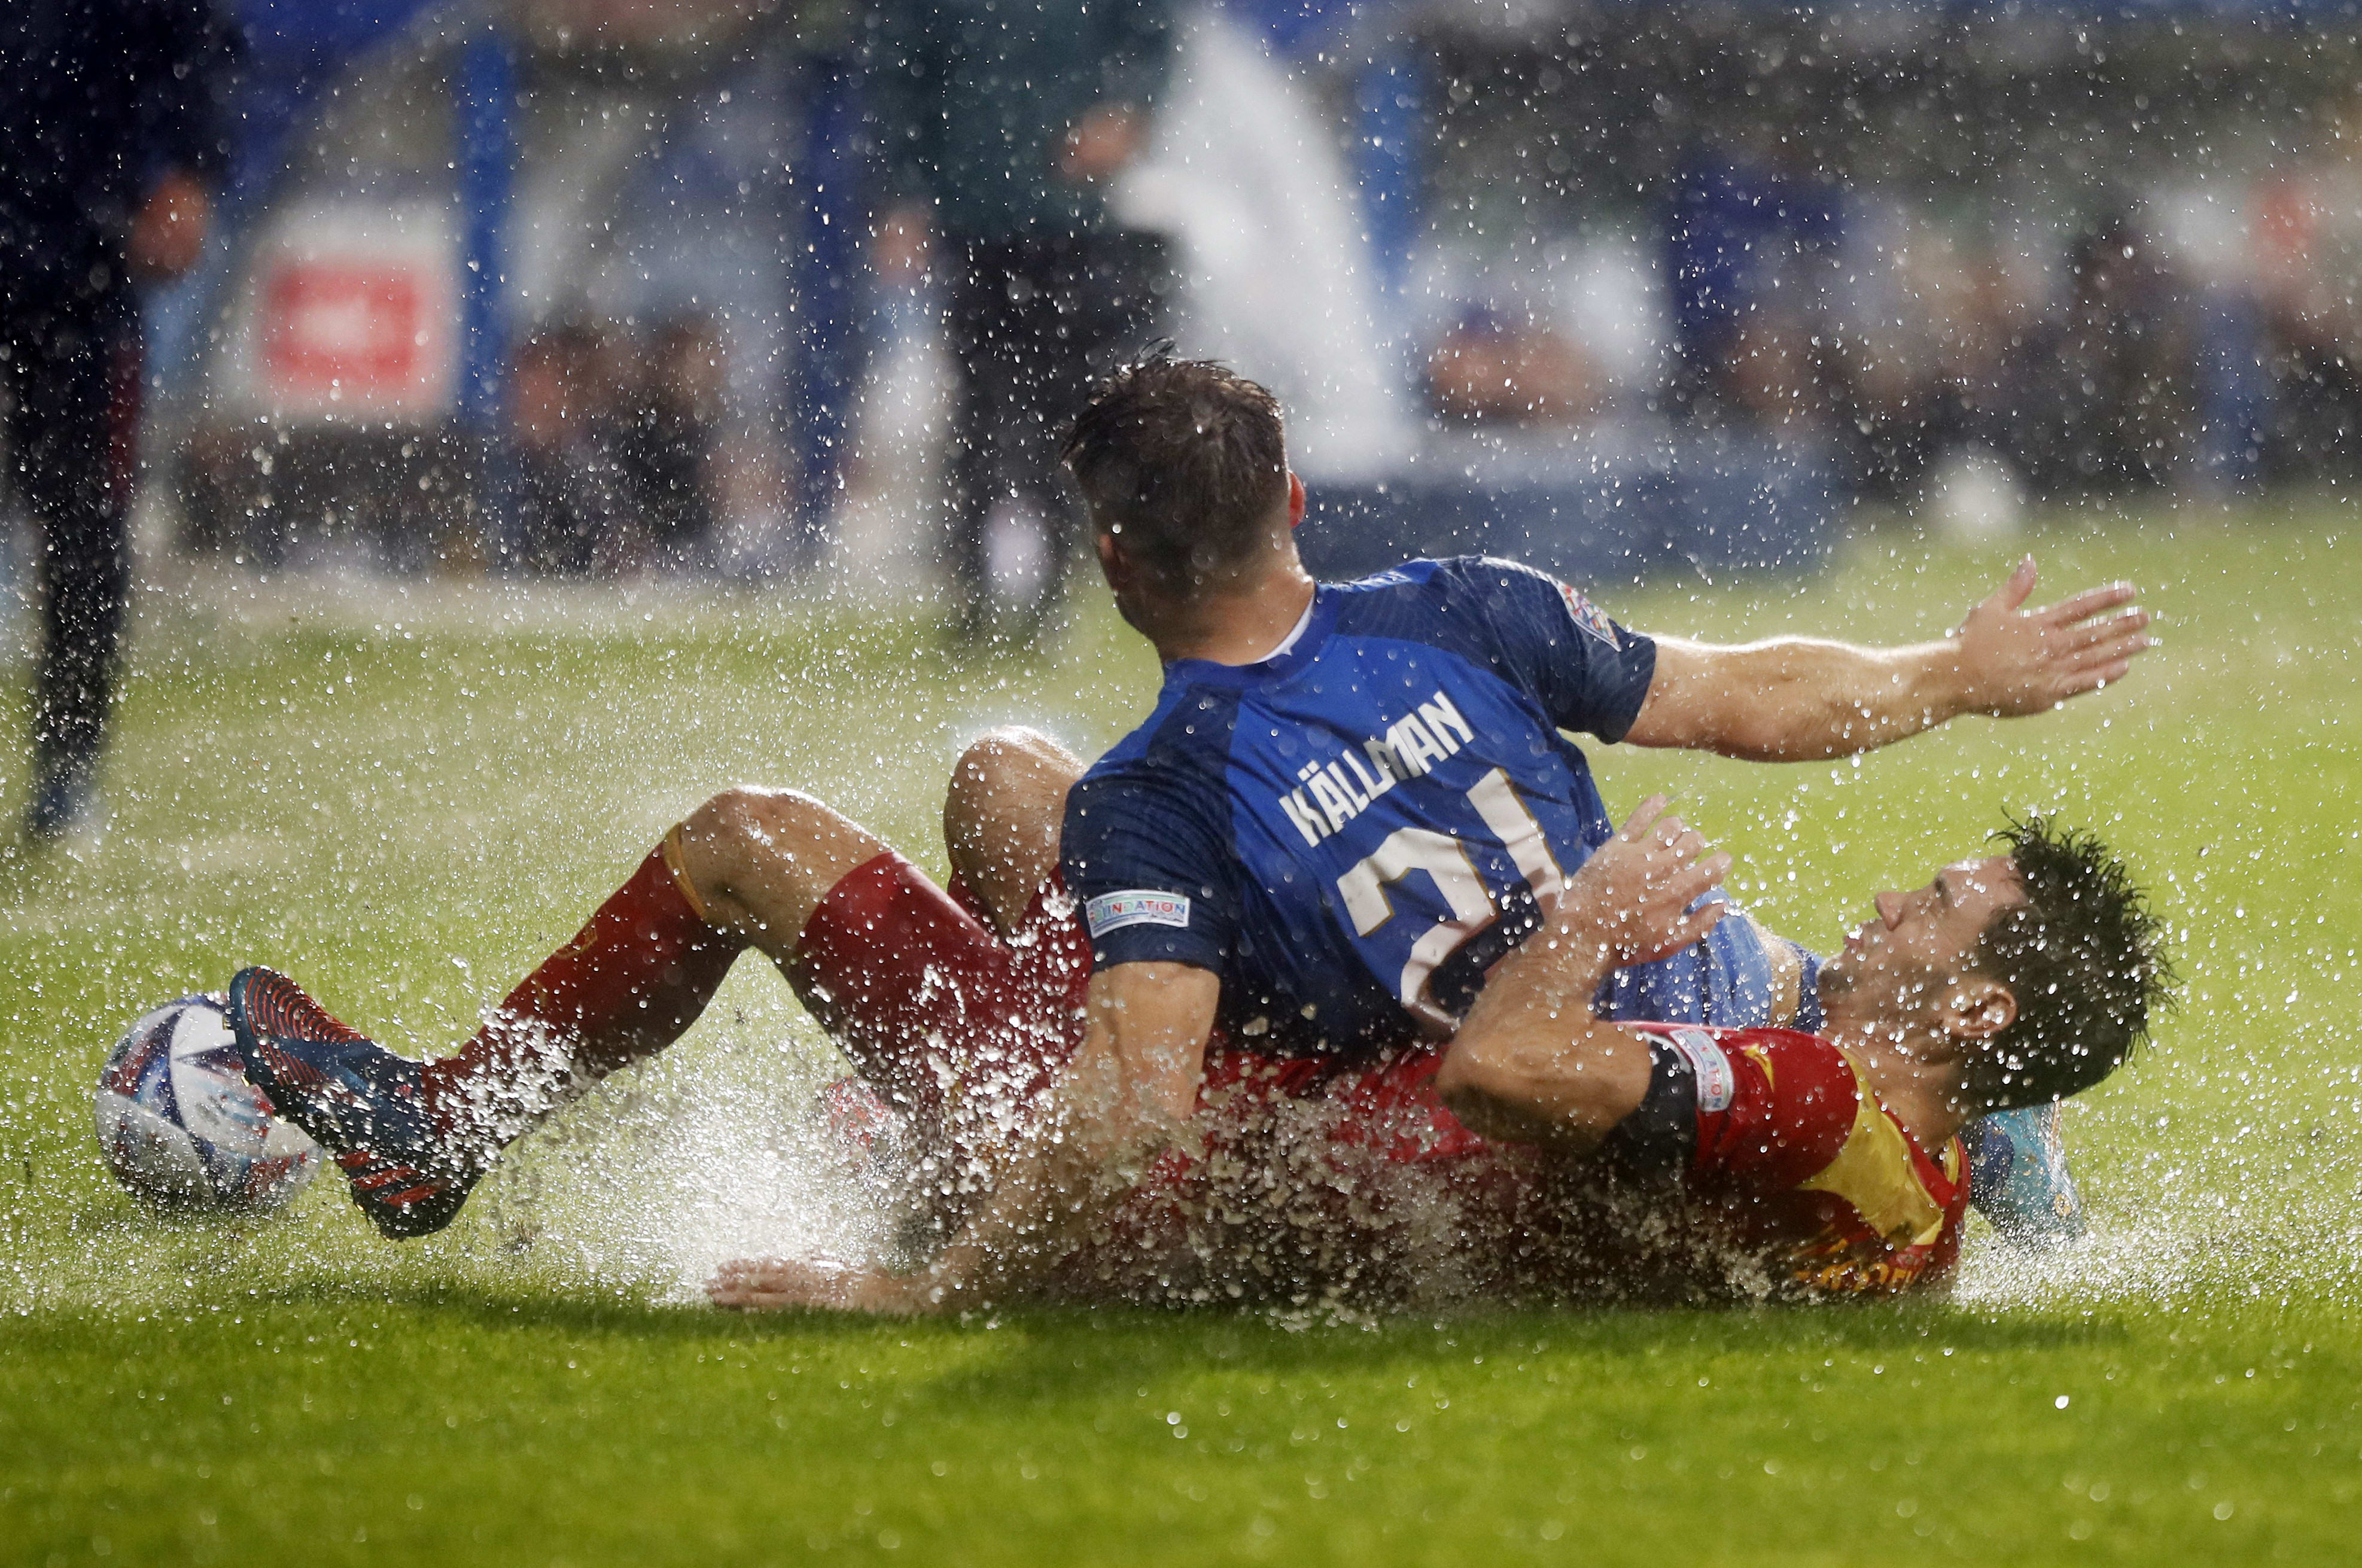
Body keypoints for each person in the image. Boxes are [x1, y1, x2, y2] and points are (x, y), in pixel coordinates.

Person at [866, 0, 1175, 637]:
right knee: (980, 411)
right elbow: (901, 74)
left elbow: (1151, 35)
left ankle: (1051, 588)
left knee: (1065, 411)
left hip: (1070, 216)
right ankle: (978, 587)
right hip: (978, 215)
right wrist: (901, 193)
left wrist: (1126, 112)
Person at [4, 0, 232, 841]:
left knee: (84, 527)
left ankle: (68, 772)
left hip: (81, 267)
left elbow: (201, 42)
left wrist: (190, 172)